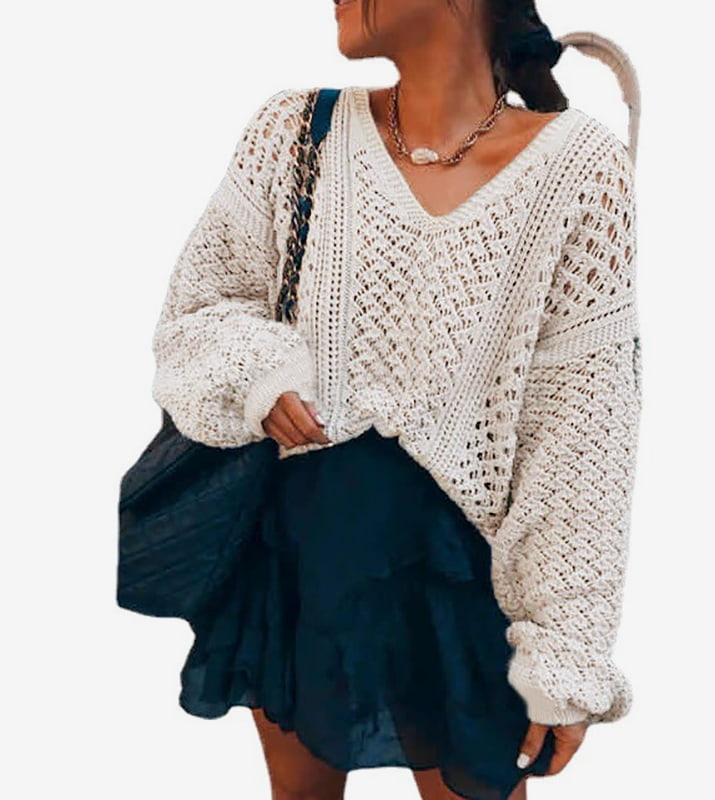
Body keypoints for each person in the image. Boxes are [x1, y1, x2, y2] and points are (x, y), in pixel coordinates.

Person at [149, 1, 643, 799]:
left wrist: (568, 656)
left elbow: (582, 438)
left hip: (463, 584)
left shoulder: (581, 168)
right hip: (302, 560)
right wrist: (259, 375)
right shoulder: (295, 132)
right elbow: (199, 309)